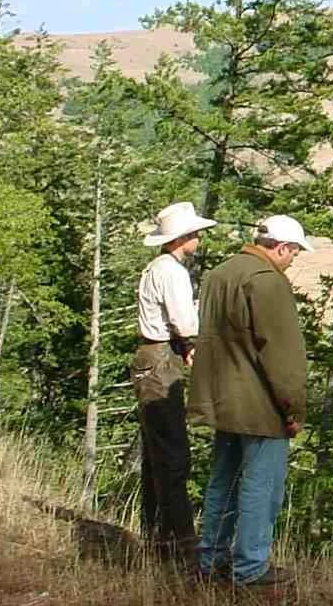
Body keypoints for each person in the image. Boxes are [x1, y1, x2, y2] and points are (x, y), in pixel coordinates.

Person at [188, 214, 313, 591]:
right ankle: (250, 570)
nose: (293, 260)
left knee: (222, 483)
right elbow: (283, 355)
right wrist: (293, 409)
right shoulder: (268, 282)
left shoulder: (219, 274)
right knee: (262, 488)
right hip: (261, 406)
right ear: (281, 248)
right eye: (294, 253)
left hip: (222, 399)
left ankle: (210, 560)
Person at [132, 200, 217, 569]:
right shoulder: (173, 273)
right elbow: (186, 322)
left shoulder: (158, 268)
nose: (198, 237)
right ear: (183, 238)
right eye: (194, 233)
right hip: (160, 360)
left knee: (157, 452)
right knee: (172, 453)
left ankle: (158, 536)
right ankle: (180, 542)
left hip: (153, 357)